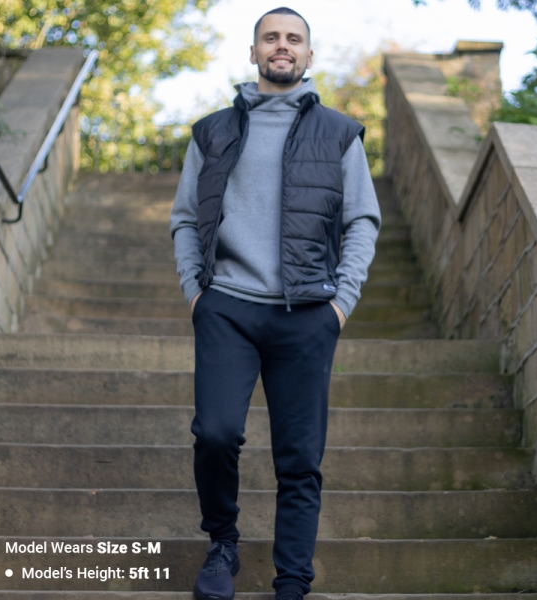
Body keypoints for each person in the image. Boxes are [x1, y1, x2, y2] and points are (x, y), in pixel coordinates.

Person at [169, 7, 381, 600]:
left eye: (293, 39)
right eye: (271, 37)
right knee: (215, 434)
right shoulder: (211, 131)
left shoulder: (339, 133)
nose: (281, 46)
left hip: (308, 312)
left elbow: (362, 220)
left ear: (309, 55)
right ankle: (223, 543)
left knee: (300, 459)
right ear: (254, 52)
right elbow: (185, 217)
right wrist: (196, 294)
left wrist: (340, 304)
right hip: (227, 307)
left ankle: (292, 582)